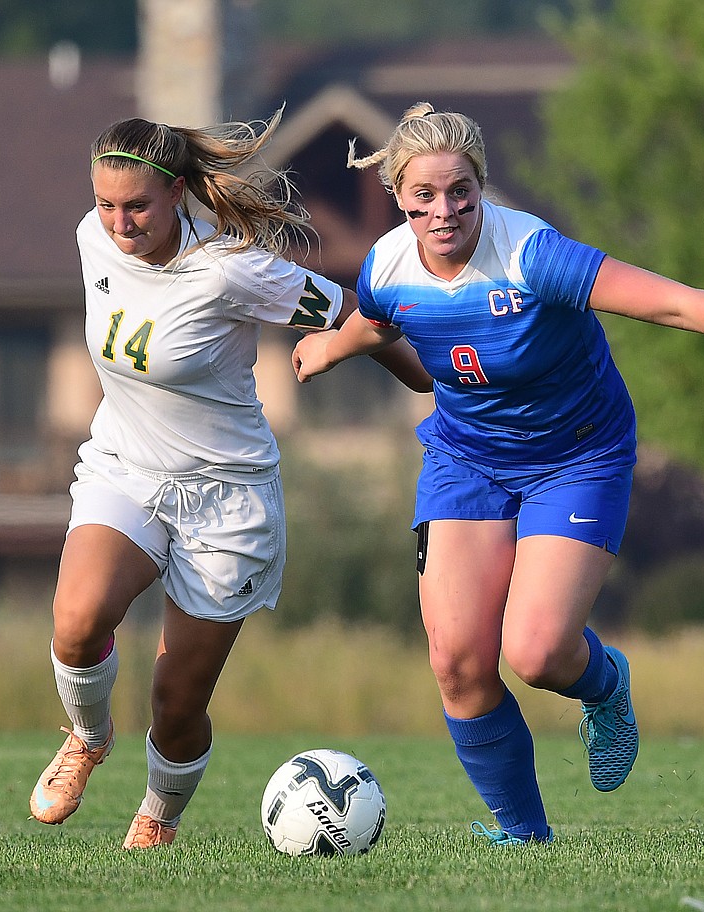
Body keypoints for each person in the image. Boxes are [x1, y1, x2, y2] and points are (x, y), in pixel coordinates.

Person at [291, 102, 704, 844]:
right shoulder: (385, 265)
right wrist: (334, 347)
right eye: (424, 200)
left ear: (482, 185)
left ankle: (606, 687)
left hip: (577, 456)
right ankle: (524, 837)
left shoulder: (533, 255)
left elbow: (673, 304)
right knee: (458, 662)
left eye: (461, 193)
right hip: (467, 460)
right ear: (401, 200)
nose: (444, 213)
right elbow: (383, 324)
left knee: (535, 652)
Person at [28, 110, 430, 849]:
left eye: (138, 206)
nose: (120, 222)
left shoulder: (232, 268)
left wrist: (428, 385)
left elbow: (354, 311)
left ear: (177, 192)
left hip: (228, 501)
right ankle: (86, 739)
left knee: (176, 701)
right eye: (107, 204)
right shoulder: (94, 238)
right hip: (128, 470)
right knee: (78, 622)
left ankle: (159, 817)